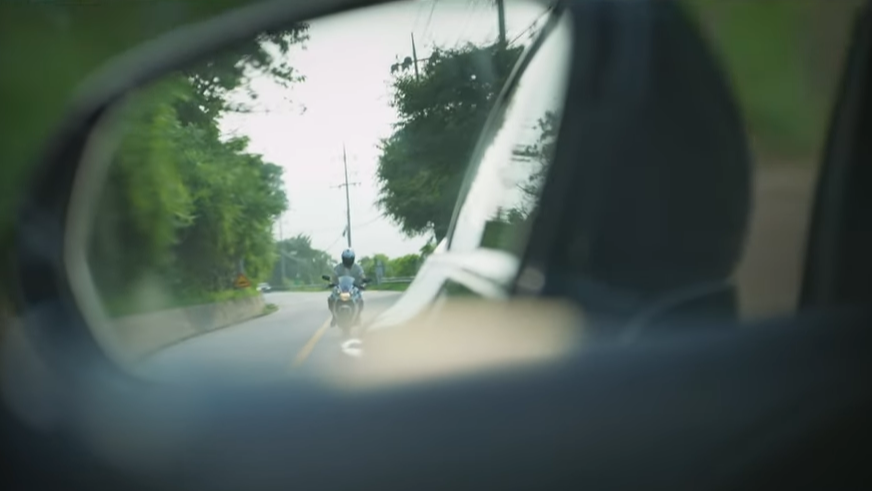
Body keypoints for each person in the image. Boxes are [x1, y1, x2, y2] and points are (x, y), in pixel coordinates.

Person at [328, 248, 367, 327]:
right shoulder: (338, 267)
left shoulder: (357, 267)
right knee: (331, 299)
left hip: (354, 288)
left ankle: (358, 316)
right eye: (346, 259)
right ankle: (334, 316)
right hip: (341, 288)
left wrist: (364, 280)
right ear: (343, 259)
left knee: (360, 300)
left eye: (349, 259)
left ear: (353, 259)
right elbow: (333, 276)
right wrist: (331, 282)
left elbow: (362, 275)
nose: (348, 261)